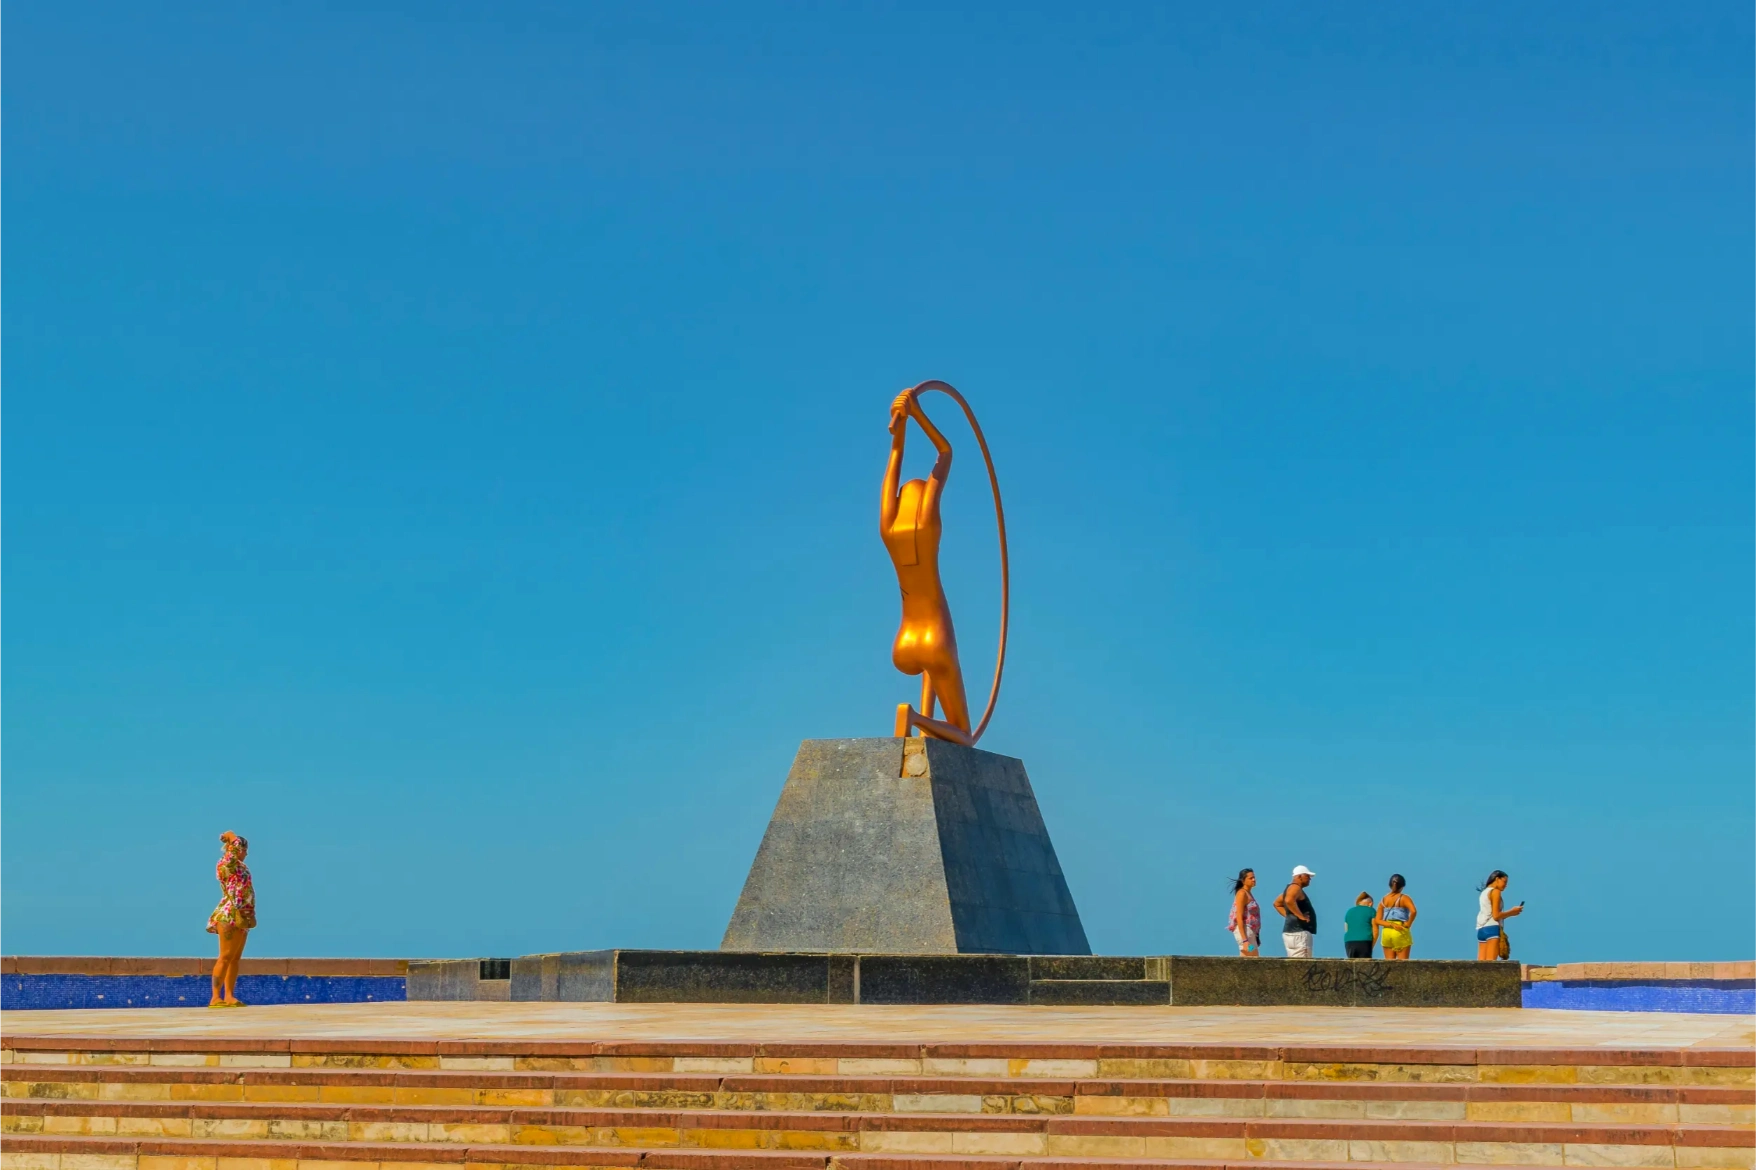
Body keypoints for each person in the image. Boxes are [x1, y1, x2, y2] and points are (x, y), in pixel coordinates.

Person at [881, 388, 971, 742]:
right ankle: (915, 718)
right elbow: (945, 453)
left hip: (904, 639)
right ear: (925, 501)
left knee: (930, 674)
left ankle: (923, 729)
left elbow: (895, 460)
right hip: (935, 635)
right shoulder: (928, 524)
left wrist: (899, 426)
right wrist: (917, 413)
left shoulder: (888, 529)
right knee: (964, 734)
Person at [206, 832, 256, 1007]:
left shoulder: (242, 867)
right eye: (244, 849)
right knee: (225, 956)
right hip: (228, 914)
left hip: (242, 916)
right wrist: (232, 837)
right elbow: (231, 855)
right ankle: (215, 997)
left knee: (235, 958)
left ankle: (229, 995)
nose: (246, 853)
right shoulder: (226, 864)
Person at [1476, 869, 1523, 961]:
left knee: (1480, 963)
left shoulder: (1484, 893)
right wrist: (1512, 912)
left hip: (1481, 928)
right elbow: (1496, 915)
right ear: (1497, 879)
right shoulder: (1495, 892)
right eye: (1504, 882)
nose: (1506, 885)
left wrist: (1511, 913)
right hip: (1492, 928)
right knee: (1491, 962)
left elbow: (1490, 913)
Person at [1273, 865, 1317, 958]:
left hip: (1291, 933)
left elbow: (1277, 903)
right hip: (1299, 933)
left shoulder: (1290, 889)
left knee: (1295, 964)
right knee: (1303, 965)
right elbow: (1289, 900)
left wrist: (1290, 916)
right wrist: (1301, 917)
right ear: (1299, 876)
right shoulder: (1295, 887)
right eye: (1307, 876)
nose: (1309, 879)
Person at [1378, 874, 1416, 960]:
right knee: (1403, 964)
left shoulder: (1383, 900)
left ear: (1390, 885)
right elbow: (1413, 911)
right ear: (1402, 887)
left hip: (1386, 931)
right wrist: (1409, 924)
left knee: (1389, 965)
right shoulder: (1404, 898)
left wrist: (1391, 925)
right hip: (1400, 930)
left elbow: (1378, 920)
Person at [1227, 869, 1261, 957]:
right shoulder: (1242, 893)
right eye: (1250, 878)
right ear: (1243, 880)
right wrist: (1245, 940)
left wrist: (1256, 936)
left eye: (1254, 877)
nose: (1254, 880)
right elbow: (1239, 917)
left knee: (1251, 959)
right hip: (1245, 931)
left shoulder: (1248, 893)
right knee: (1251, 959)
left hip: (1251, 932)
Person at [1343, 892, 1377, 958]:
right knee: (1365, 966)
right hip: (1365, 941)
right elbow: (1375, 931)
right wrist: (1371, 946)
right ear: (1370, 904)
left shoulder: (1349, 911)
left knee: (1352, 966)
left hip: (1349, 942)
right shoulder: (1371, 910)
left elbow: (1346, 930)